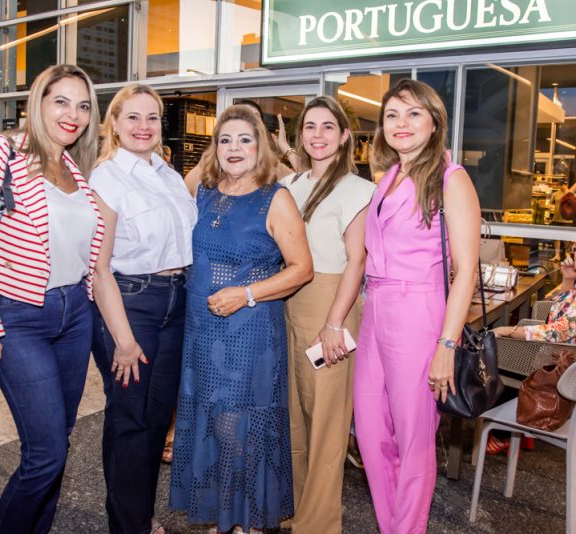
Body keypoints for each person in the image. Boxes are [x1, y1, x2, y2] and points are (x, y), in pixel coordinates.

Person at [0, 64, 104, 533]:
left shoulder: (75, 167)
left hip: (74, 313)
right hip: (17, 315)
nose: (72, 114)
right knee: (45, 455)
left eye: (83, 105)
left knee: (59, 442)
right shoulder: (1, 151)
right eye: (61, 101)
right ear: (38, 101)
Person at [170, 104, 313, 534]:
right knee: (212, 419)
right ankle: (225, 516)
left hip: (247, 333)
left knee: (240, 427)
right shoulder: (204, 190)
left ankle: (247, 521)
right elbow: (175, 192)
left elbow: (301, 268)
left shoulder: (276, 197)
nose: (234, 148)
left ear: (262, 147)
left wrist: (246, 294)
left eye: (245, 139)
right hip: (200, 331)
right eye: (225, 139)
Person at [355, 79, 480, 534]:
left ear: (433, 123)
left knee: (413, 441)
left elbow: (466, 270)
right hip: (376, 311)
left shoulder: (452, 178)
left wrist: (446, 344)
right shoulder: (386, 179)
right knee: (370, 433)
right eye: (392, 115)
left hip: (419, 312)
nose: (401, 124)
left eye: (412, 114)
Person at [89, 84, 197, 534]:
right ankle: (128, 525)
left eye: (151, 117)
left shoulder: (168, 173)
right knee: (130, 420)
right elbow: (98, 268)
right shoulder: (106, 178)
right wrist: (124, 339)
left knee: (155, 420)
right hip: (130, 303)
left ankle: (139, 515)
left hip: (177, 300)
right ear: (113, 123)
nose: (143, 126)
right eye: (132, 117)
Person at [279, 96, 375, 534]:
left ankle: (318, 524)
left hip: (329, 302)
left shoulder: (358, 189)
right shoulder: (294, 183)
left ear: (344, 136)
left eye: (327, 127)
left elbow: (357, 260)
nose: (318, 135)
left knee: (326, 421)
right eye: (310, 127)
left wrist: (335, 322)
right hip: (287, 302)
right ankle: (298, 508)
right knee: (295, 416)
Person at [494, 229, 576, 343]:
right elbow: (565, 312)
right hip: (570, 354)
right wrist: (568, 279)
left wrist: (507, 330)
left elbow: (558, 332)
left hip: (559, 361)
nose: (574, 253)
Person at [183, 100, 301, 186]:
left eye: (253, 117)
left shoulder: (271, 167)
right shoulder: (211, 165)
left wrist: (285, 147)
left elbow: (306, 182)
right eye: (225, 140)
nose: (234, 147)